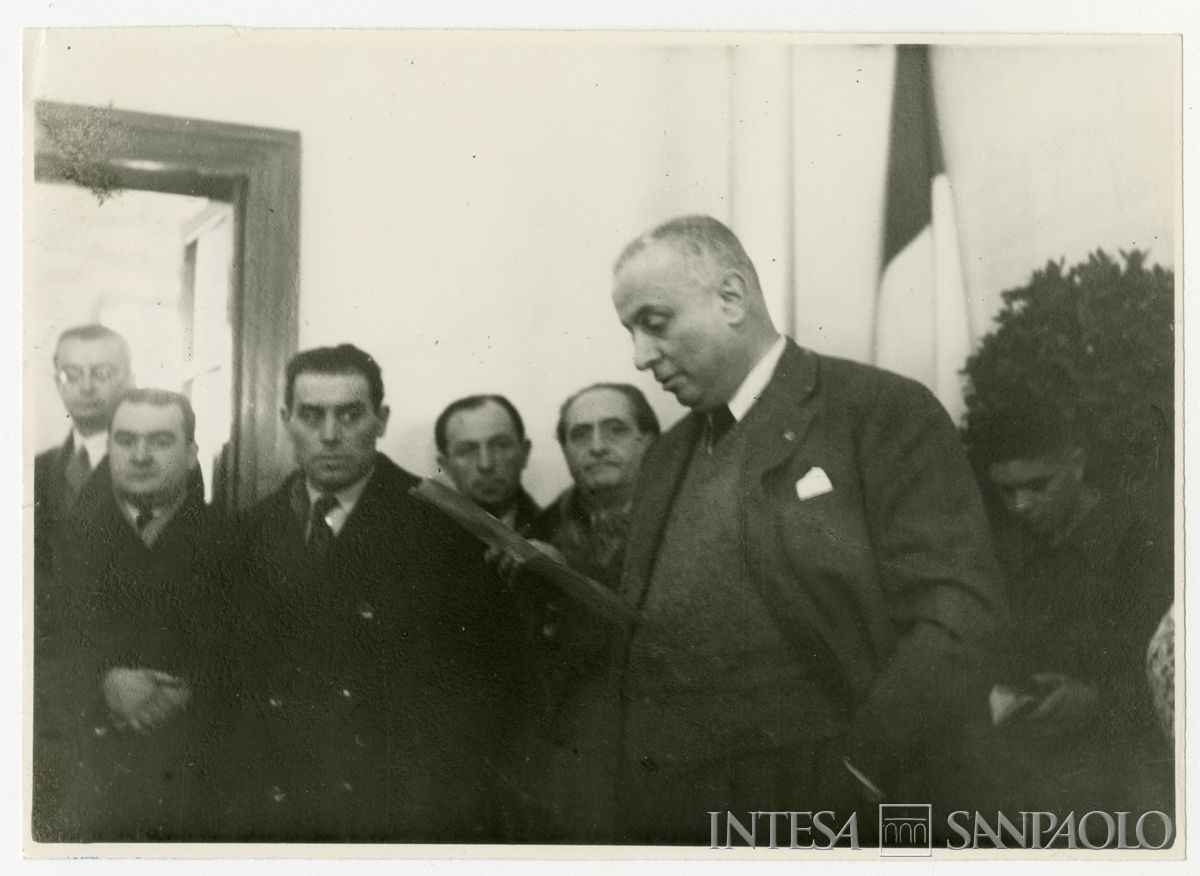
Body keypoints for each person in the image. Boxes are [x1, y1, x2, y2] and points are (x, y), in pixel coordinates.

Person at [603, 215, 1007, 844]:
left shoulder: (880, 413)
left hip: (828, 805)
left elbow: (958, 613)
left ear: (732, 298)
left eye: (654, 325)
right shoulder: (663, 458)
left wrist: (862, 771)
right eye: (630, 332)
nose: (639, 356)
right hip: (677, 813)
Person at [222, 344, 526, 841]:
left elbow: (483, 700)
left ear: (381, 420)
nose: (330, 435)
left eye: (350, 415)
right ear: (285, 420)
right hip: (278, 816)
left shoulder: (445, 530)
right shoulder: (249, 531)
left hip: (392, 817)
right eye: (311, 415)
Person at [53, 389, 227, 841]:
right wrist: (103, 683)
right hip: (87, 783)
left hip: (200, 792)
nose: (141, 455)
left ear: (190, 454)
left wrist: (190, 692)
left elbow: (258, 660)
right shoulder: (55, 545)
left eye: (161, 441)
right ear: (109, 449)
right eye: (126, 440)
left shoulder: (236, 542)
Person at [504, 383, 660, 841]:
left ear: (650, 440)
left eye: (615, 430)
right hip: (572, 770)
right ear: (565, 449)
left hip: (664, 759)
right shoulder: (537, 531)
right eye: (579, 435)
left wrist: (567, 575)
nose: (596, 447)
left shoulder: (692, 521)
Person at [34, 324, 133, 575]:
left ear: (129, 380)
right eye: (71, 375)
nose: (86, 387)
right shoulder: (36, 469)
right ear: (58, 382)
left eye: (102, 373)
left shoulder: (147, 464)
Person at [435, 394, 540, 532]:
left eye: (501, 445)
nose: (486, 464)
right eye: (466, 451)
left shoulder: (557, 537)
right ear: (445, 466)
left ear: (524, 454)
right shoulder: (424, 540)